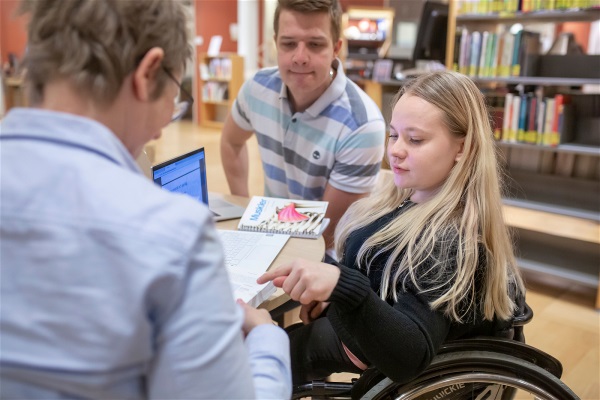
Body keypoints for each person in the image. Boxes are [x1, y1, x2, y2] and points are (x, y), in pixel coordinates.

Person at [0, 1, 291, 399]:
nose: (160, 130)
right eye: (174, 96)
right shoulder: (174, 235)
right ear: (148, 72)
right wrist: (267, 339)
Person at [258, 71, 526, 384]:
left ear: (462, 149)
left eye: (415, 139)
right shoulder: (413, 196)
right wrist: (333, 285)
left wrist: (341, 287)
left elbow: (408, 355)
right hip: (352, 324)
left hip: (367, 346)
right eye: (394, 134)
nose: (396, 150)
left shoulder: (448, 242)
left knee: (261, 348)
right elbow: (382, 272)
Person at [220, 0, 386, 251]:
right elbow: (231, 142)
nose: (299, 57)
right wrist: (245, 209)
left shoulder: (361, 125)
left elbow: (327, 234)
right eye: (288, 44)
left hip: (325, 260)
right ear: (276, 43)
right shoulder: (257, 89)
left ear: (336, 48)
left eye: (315, 44)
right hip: (270, 234)